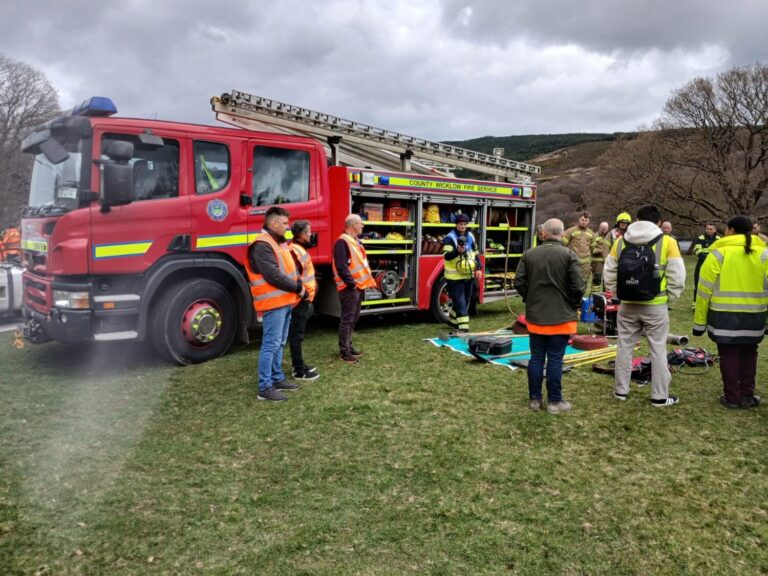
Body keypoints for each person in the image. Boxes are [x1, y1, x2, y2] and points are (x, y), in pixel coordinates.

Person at [603, 204, 686, 407]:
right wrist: (669, 299)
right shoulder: (668, 242)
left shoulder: (621, 242)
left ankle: (620, 390)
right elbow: (678, 276)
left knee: (624, 347)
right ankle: (659, 396)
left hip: (627, 305)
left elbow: (609, 273)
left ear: (637, 220)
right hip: (656, 305)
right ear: (659, 222)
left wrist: (618, 294)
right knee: (657, 349)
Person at [693, 216, 766, 409]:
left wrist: (699, 323)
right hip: (755, 315)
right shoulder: (764, 254)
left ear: (731, 230)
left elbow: (703, 291)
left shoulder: (718, 254)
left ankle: (732, 397)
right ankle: (747, 395)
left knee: (728, 354)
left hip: (723, 316)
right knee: (750, 353)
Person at [514, 218, 585, 414]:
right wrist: (573, 303)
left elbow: (518, 282)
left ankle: (534, 400)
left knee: (536, 358)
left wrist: (530, 298)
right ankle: (555, 402)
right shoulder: (569, 255)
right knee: (555, 360)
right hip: (562, 318)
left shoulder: (529, 255)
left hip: (536, 317)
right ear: (562, 234)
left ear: (543, 234)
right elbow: (578, 286)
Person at [245, 206, 306, 402]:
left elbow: (287, 270)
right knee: (271, 344)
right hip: (274, 302)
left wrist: (296, 286)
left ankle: (277, 378)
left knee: (278, 342)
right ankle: (265, 387)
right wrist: (298, 288)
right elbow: (273, 276)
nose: (288, 227)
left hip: (284, 301)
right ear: (273, 223)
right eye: (285, 224)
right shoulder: (262, 244)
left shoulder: (277, 242)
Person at [333, 214, 376, 364]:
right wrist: (351, 284)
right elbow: (341, 266)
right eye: (360, 223)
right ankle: (344, 352)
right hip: (349, 288)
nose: (363, 226)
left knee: (353, 319)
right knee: (347, 319)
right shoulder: (342, 242)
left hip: (356, 287)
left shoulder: (353, 241)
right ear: (352, 225)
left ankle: (348, 347)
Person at [287, 220, 319, 381]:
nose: (311, 234)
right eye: (308, 232)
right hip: (299, 300)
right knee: (296, 335)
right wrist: (304, 294)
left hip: (303, 298)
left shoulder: (299, 248)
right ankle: (298, 370)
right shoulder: (295, 250)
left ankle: (299, 365)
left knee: (298, 334)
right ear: (301, 234)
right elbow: (294, 278)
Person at [441, 213, 482, 334]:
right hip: (454, 277)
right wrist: (457, 252)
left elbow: (475, 253)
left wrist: (479, 268)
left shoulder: (470, 235)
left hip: (468, 275)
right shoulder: (450, 238)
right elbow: (446, 256)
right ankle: (463, 328)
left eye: (464, 224)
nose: (462, 226)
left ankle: (453, 321)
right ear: (456, 225)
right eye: (460, 224)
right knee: (460, 301)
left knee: (466, 299)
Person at [562, 211, 595, 296]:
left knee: (583, 286)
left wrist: (590, 264)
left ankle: (580, 303)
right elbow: (562, 246)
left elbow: (592, 249)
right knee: (571, 283)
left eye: (586, 220)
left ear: (589, 221)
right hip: (573, 263)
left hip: (585, 266)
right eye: (582, 220)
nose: (584, 222)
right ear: (579, 219)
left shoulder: (591, 234)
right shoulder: (570, 231)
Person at [691, 223, 721, 304]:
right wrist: (708, 259)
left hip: (714, 266)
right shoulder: (700, 238)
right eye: (707, 228)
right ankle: (695, 303)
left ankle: (711, 303)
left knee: (713, 285)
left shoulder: (718, 239)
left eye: (711, 229)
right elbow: (698, 251)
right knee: (698, 283)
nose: (708, 230)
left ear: (715, 230)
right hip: (701, 264)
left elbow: (721, 252)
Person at [591, 221, 611, 287]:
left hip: (607, 263)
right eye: (602, 229)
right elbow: (591, 248)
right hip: (597, 264)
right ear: (599, 227)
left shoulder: (609, 237)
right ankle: (594, 295)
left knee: (607, 282)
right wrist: (598, 250)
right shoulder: (594, 236)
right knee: (597, 281)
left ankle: (605, 295)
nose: (604, 231)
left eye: (605, 229)